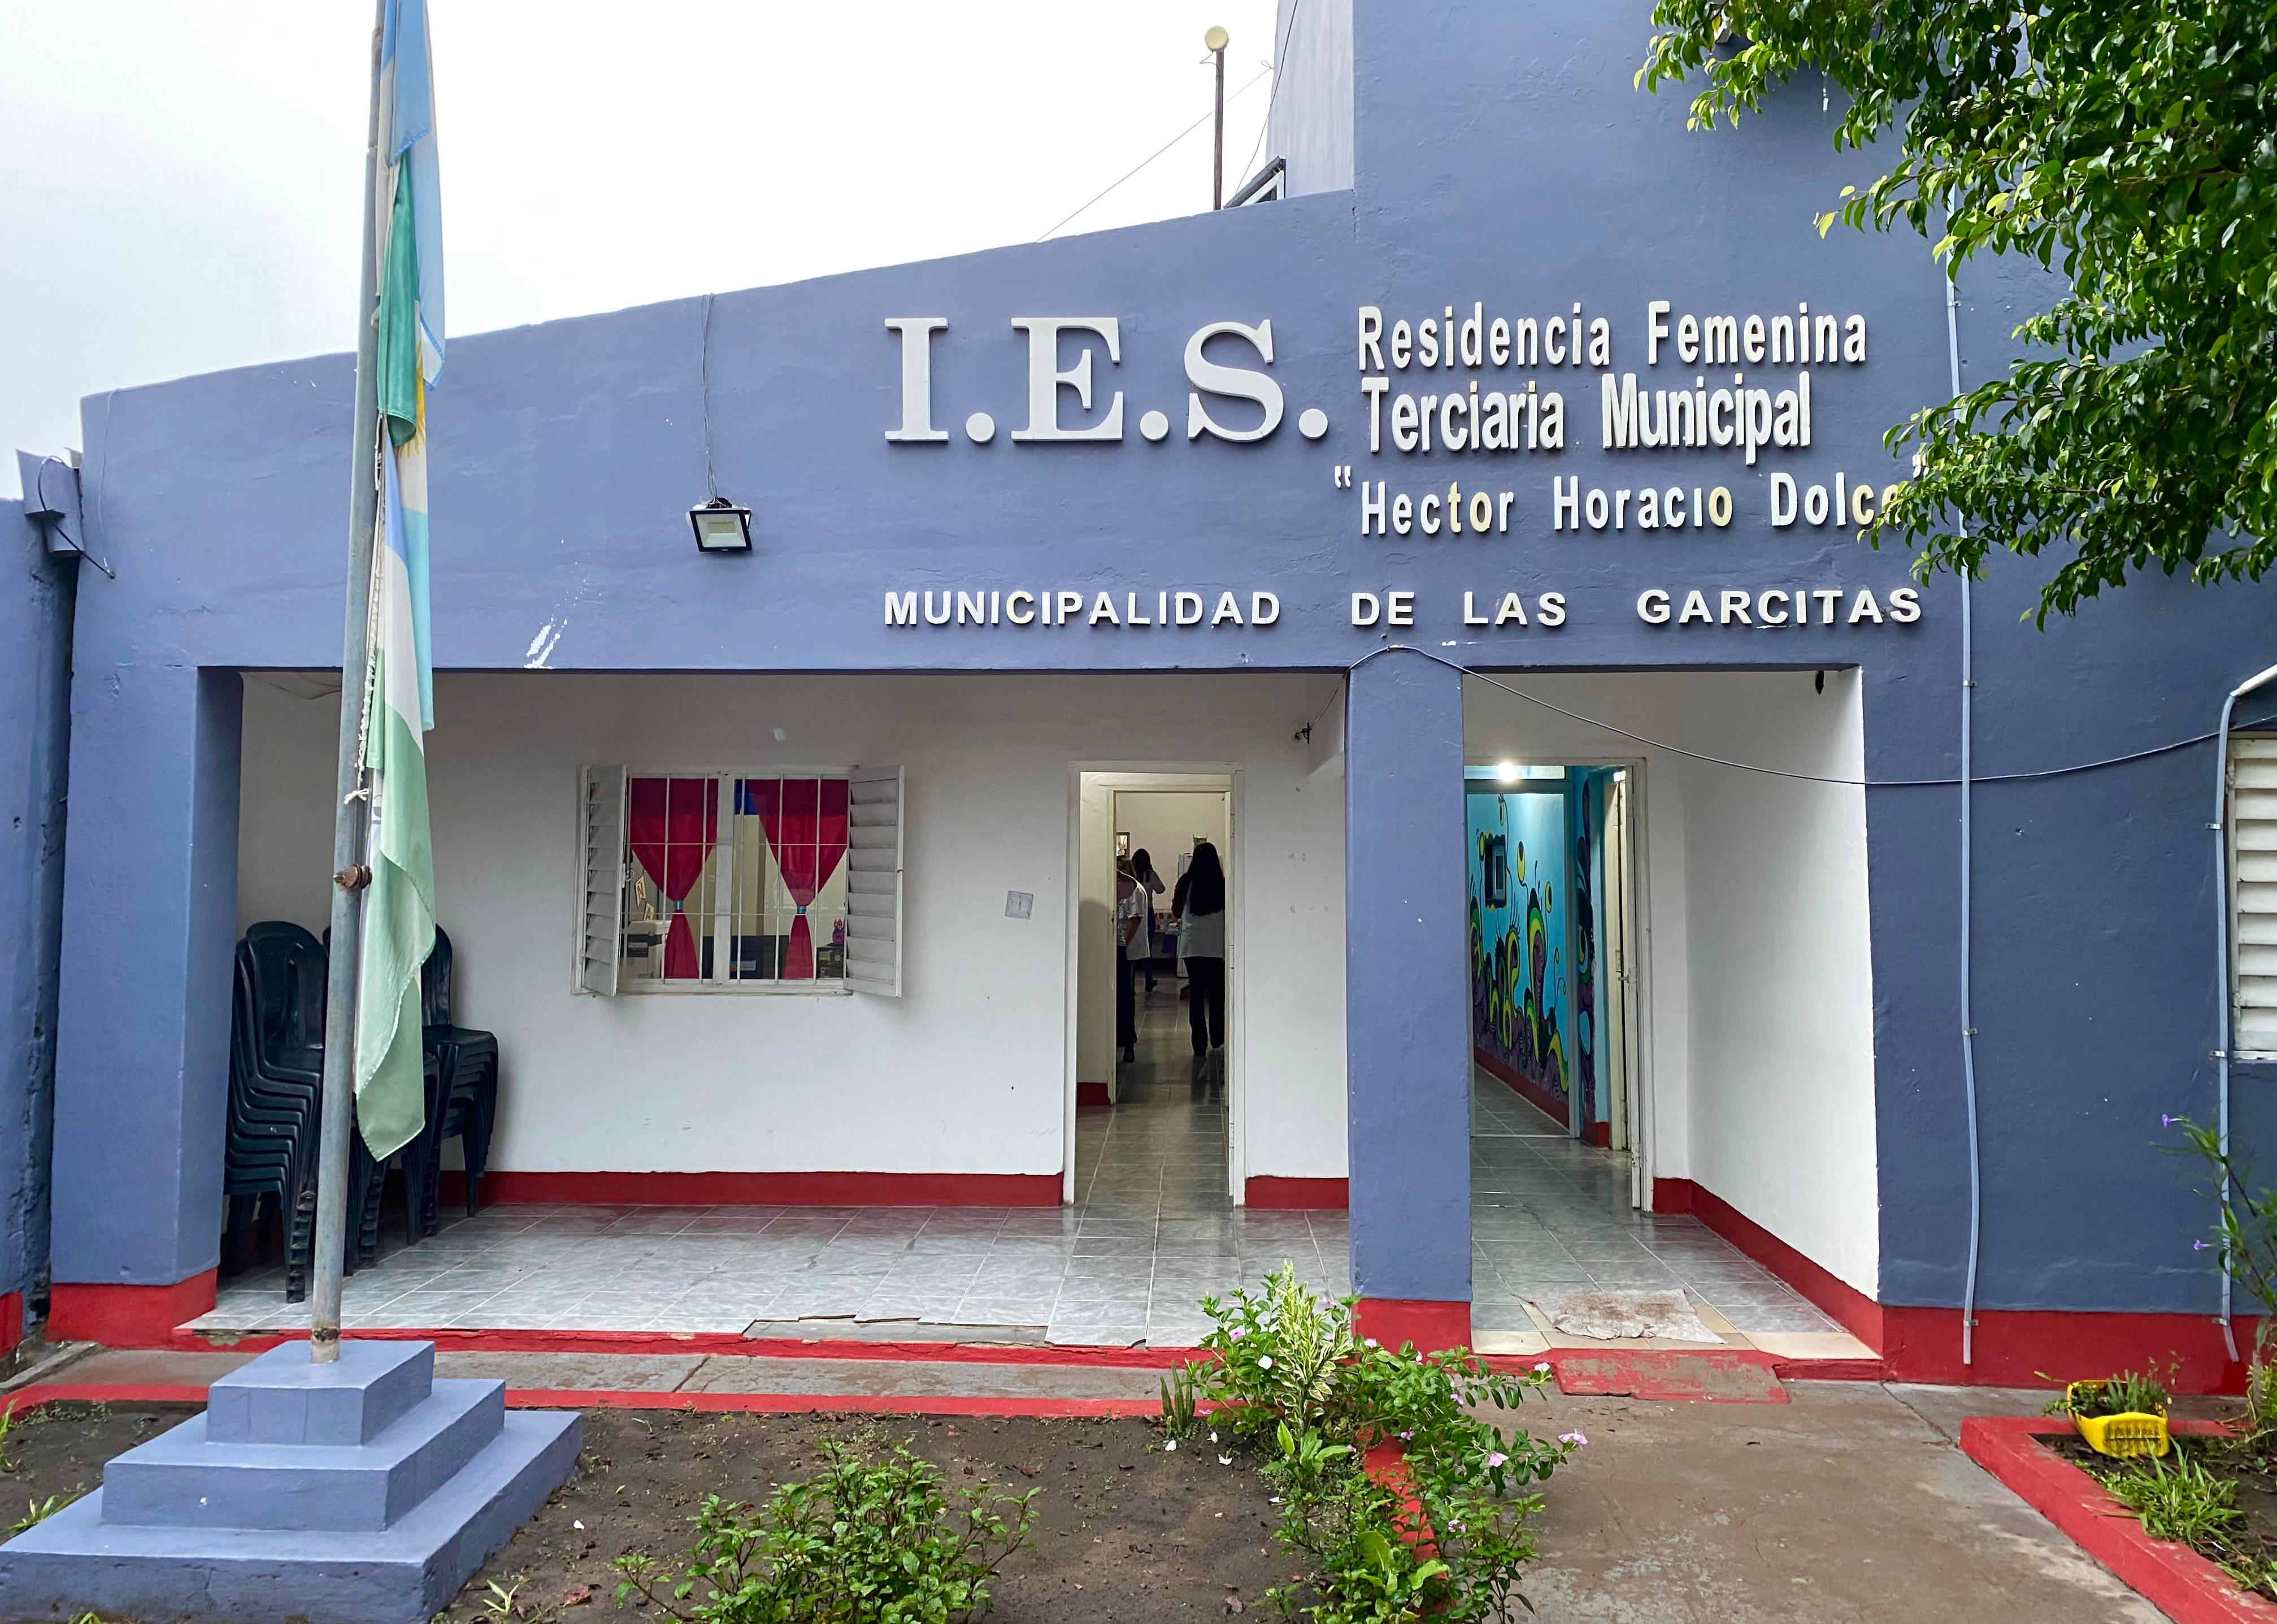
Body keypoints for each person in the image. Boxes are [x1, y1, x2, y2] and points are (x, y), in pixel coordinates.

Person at [1171, 840, 1227, 1074]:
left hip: (1192, 946)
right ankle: (1218, 1038)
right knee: (1216, 994)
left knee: (1196, 995)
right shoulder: (1222, 884)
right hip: (1216, 947)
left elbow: (1176, 911)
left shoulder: (1185, 882)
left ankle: (1199, 1045)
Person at [1115, 856, 1142, 1064]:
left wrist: (1125, 941)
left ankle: (1128, 1041)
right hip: (1115, 945)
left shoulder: (1131, 888)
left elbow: (1135, 919)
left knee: (1124, 994)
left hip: (1121, 946)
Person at [1131, 847, 1166, 992]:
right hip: (1148, 912)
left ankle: (1130, 982)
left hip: (1132, 912)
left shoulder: (1130, 875)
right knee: (1147, 947)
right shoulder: (1151, 875)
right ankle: (1149, 979)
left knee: (1131, 947)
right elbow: (1161, 889)